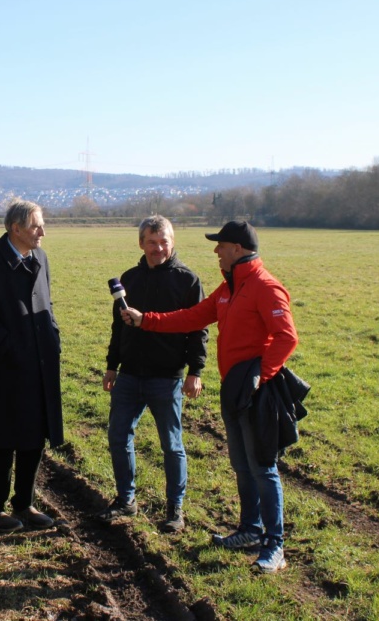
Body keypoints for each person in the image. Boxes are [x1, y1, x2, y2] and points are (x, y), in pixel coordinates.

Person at [120, 220, 298, 573]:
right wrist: (146, 321)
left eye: (221, 245)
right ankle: (249, 529)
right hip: (234, 387)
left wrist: (261, 376)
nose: (216, 251)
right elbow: (191, 318)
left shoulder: (265, 286)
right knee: (242, 465)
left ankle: (274, 545)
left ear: (238, 249)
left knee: (263, 467)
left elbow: (286, 337)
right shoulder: (229, 289)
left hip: (256, 389)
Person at [98, 215, 207, 533]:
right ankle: (125, 501)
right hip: (130, 376)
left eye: (164, 242)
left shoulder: (187, 281)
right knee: (118, 438)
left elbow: (198, 330)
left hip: (167, 378)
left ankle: (175, 509)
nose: (158, 248)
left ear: (173, 242)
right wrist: (111, 366)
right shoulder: (128, 279)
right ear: (141, 243)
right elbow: (118, 327)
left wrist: (194, 371)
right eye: (151, 242)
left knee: (171, 446)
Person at [0, 200, 62, 533]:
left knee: (34, 437)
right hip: (6, 368)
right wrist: (9, 348)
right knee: (4, 437)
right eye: (36, 226)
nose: (42, 231)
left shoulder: (41, 258)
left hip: (40, 364)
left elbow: (46, 306)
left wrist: (53, 339)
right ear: (15, 228)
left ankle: (24, 504)